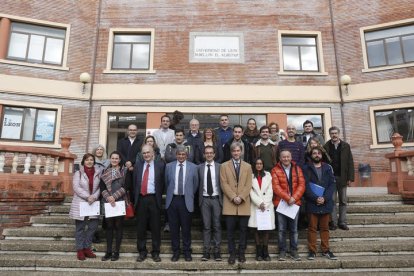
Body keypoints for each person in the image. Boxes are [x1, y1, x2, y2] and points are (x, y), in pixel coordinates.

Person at [130, 145, 165, 262]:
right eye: (144, 153)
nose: (146, 155)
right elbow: (134, 184)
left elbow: (163, 183)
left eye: (148, 152)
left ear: (152, 153)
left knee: (155, 227)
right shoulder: (138, 166)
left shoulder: (160, 165)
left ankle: (155, 252)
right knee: (141, 228)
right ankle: (142, 251)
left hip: (154, 199)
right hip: (141, 200)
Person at [220, 142, 253, 264]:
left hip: (244, 203)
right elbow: (224, 184)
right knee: (230, 232)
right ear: (231, 152)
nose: (236, 153)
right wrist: (234, 197)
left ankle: (241, 253)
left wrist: (241, 196)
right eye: (234, 151)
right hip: (230, 203)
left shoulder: (248, 166)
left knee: (243, 231)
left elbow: (248, 184)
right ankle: (232, 253)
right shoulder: (224, 166)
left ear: (241, 152)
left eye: (238, 151)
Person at [165, 145, 199, 262]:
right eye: (179, 154)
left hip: (186, 200)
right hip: (173, 200)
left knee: (186, 229)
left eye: (183, 154)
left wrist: (189, 194)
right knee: (174, 229)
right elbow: (166, 182)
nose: (181, 156)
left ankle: (187, 252)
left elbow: (195, 185)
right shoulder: (169, 166)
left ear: (186, 155)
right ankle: (176, 252)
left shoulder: (193, 167)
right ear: (176, 155)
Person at [271, 149, 305, 261]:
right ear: (280, 158)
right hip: (281, 203)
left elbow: (302, 185)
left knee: (294, 229)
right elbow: (276, 187)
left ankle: (294, 251)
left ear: (291, 158)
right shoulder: (275, 170)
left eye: (288, 157)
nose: (286, 159)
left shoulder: (297, 169)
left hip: (294, 203)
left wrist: (294, 198)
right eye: (283, 157)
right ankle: (282, 251)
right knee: (281, 229)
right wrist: (287, 198)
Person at [304, 147, 337, 260]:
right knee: (312, 228)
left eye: (318, 153)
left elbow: (332, 185)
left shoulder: (327, 167)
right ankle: (312, 251)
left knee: (325, 228)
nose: (317, 155)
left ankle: (326, 250)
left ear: (321, 155)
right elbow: (305, 185)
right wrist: (315, 198)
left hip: (325, 202)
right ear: (311, 155)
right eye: (314, 153)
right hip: (312, 202)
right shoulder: (306, 168)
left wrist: (325, 198)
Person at [69, 153, 102, 261]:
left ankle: (87, 248)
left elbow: (100, 187)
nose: (89, 161)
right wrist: (88, 196)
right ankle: (80, 250)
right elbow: (76, 187)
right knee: (80, 228)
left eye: (91, 160)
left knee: (92, 227)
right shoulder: (78, 173)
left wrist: (95, 196)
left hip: (93, 202)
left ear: (94, 161)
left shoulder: (98, 173)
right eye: (87, 160)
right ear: (83, 162)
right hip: (81, 202)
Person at [323, 126, 354, 231]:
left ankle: (342, 222)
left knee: (343, 201)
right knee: (332, 201)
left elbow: (350, 162)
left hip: (343, 177)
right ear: (329, 134)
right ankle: (334, 223)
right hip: (330, 179)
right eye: (332, 133)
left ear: (339, 134)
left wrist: (350, 178)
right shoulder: (326, 146)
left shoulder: (346, 146)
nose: (334, 135)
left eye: (335, 133)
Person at [100, 151, 127, 261]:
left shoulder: (124, 171)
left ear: (120, 160)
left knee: (118, 227)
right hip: (108, 202)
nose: (115, 160)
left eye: (117, 158)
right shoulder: (105, 171)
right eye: (113, 158)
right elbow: (102, 187)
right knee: (109, 227)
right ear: (110, 159)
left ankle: (116, 252)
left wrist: (114, 197)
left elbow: (127, 186)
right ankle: (108, 252)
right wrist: (108, 197)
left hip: (119, 201)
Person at [198, 145, 223, 261]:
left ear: (214, 154)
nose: (209, 154)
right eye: (206, 153)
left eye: (211, 152)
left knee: (217, 226)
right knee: (206, 226)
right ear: (204, 155)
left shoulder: (220, 167)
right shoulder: (199, 168)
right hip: (204, 200)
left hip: (217, 199)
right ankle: (206, 251)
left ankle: (217, 251)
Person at [248, 158, 275, 262]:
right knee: (256, 229)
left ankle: (265, 251)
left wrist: (265, 204)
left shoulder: (268, 175)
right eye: (257, 163)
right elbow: (250, 191)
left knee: (265, 229)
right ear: (254, 165)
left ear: (263, 165)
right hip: (256, 205)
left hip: (267, 206)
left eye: (260, 163)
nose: (259, 165)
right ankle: (258, 251)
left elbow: (270, 190)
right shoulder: (250, 176)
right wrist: (259, 203)